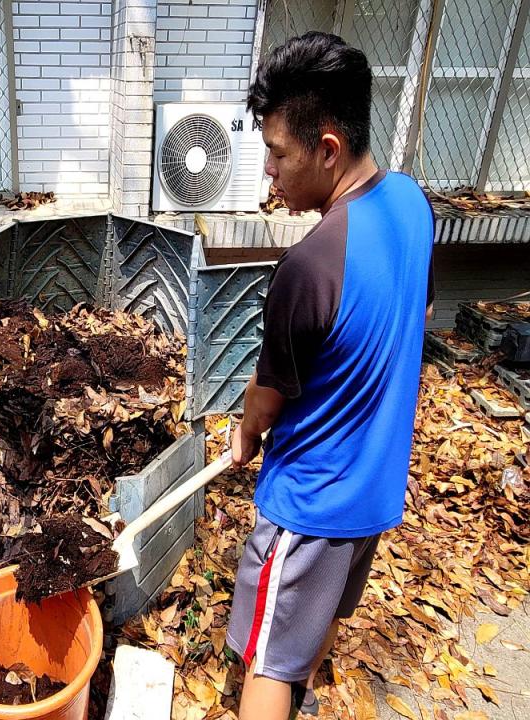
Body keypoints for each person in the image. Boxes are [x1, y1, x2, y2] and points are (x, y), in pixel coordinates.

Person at [225, 32, 434, 719]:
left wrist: (244, 437)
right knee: (315, 629)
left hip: (310, 508)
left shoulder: (311, 266)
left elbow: (266, 401)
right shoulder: (412, 204)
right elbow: (417, 309)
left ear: (328, 149)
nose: (267, 171)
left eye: (279, 153)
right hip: (374, 492)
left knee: (268, 663)